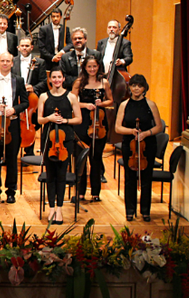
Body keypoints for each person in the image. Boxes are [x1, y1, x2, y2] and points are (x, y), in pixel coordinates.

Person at [0, 52, 29, 204]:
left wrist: (14, 109)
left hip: (12, 123)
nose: (5, 63)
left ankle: (11, 191)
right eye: (2, 61)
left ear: (12, 63)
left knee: (11, 159)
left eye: (8, 61)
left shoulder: (19, 80)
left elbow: (25, 102)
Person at [115, 74, 163, 222]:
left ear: (144, 88)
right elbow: (117, 127)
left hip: (147, 144)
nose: (136, 88)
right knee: (129, 178)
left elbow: (159, 126)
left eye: (139, 86)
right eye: (133, 85)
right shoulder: (124, 105)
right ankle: (130, 210)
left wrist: (146, 134)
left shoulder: (151, 104)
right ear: (130, 87)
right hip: (129, 144)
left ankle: (145, 211)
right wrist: (131, 131)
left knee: (146, 178)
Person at [37, 67, 81, 225]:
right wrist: (49, 118)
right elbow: (40, 120)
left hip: (65, 140)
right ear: (50, 80)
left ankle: (60, 209)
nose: (56, 80)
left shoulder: (71, 97)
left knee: (61, 175)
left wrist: (65, 121)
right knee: (50, 176)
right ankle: (51, 208)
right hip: (49, 140)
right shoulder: (43, 96)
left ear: (63, 79)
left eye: (59, 77)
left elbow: (79, 119)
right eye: (54, 77)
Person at [72, 56, 113, 202]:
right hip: (82, 122)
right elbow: (72, 101)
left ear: (98, 67)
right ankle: (80, 192)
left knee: (96, 158)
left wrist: (101, 103)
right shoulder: (79, 82)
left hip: (99, 122)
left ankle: (96, 192)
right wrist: (85, 105)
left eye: (94, 66)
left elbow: (110, 100)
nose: (92, 69)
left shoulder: (104, 82)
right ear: (85, 67)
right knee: (80, 158)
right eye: (89, 67)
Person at [12, 38, 49, 156]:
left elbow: (44, 81)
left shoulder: (40, 62)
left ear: (31, 47)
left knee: (30, 122)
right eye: (22, 45)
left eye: (27, 45)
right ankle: (12, 154)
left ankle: (29, 152)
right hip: (16, 98)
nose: (24, 48)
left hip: (31, 98)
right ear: (18, 47)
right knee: (14, 125)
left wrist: (34, 88)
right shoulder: (13, 61)